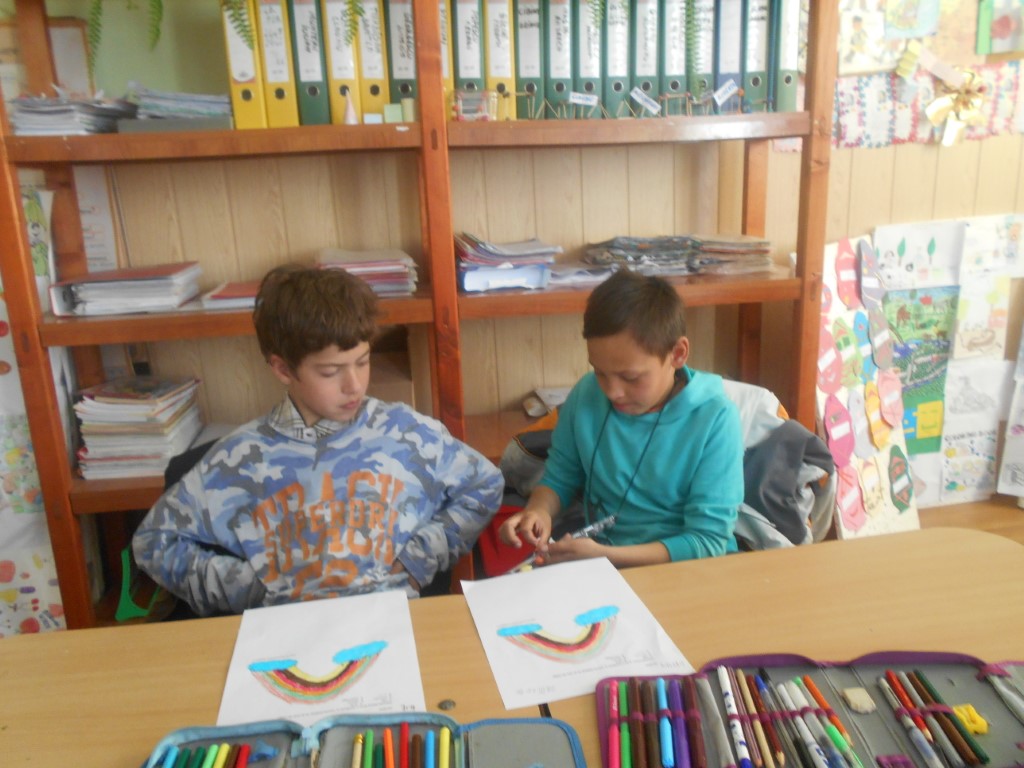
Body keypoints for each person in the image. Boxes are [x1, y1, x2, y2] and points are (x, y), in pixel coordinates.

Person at [133, 264, 503, 616]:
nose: (354, 385)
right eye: (330, 371)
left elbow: (485, 485)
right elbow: (154, 543)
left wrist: (417, 560)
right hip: (285, 632)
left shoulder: (408, 433)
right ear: (283, 368)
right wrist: (252, 589)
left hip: (394, 624)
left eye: (363, 362)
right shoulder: (239, 457)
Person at [498, 269, 744, 567]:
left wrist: (607, 557)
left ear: (678, 354)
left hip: (686, 572)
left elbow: (707, 542)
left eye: (630, 377)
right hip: (601, 559)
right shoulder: (586, 394)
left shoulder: (715, 419)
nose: (612, 392)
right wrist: (538, 511)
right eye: (600, 372)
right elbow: (559, 477)